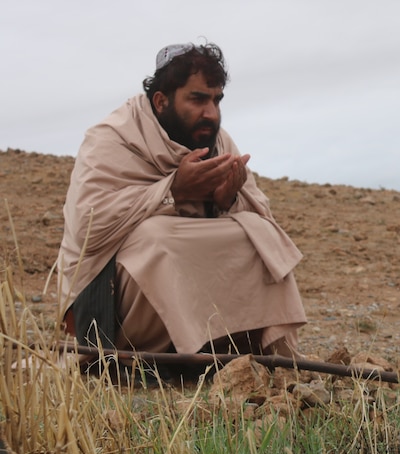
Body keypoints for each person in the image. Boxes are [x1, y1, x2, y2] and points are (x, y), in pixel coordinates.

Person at [56, 42, 306, 359]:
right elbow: (88, 228)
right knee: (157, 238)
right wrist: (174, 191)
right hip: (107, 305)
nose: (211, 113)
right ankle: (158, 357)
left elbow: (262, 214)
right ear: (161, 101)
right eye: (198, 99)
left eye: (216, 100)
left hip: (187, 278)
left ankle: (233, 350)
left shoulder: (216, 140)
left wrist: (225, 199)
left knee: (259, 234)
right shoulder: (112, 137)